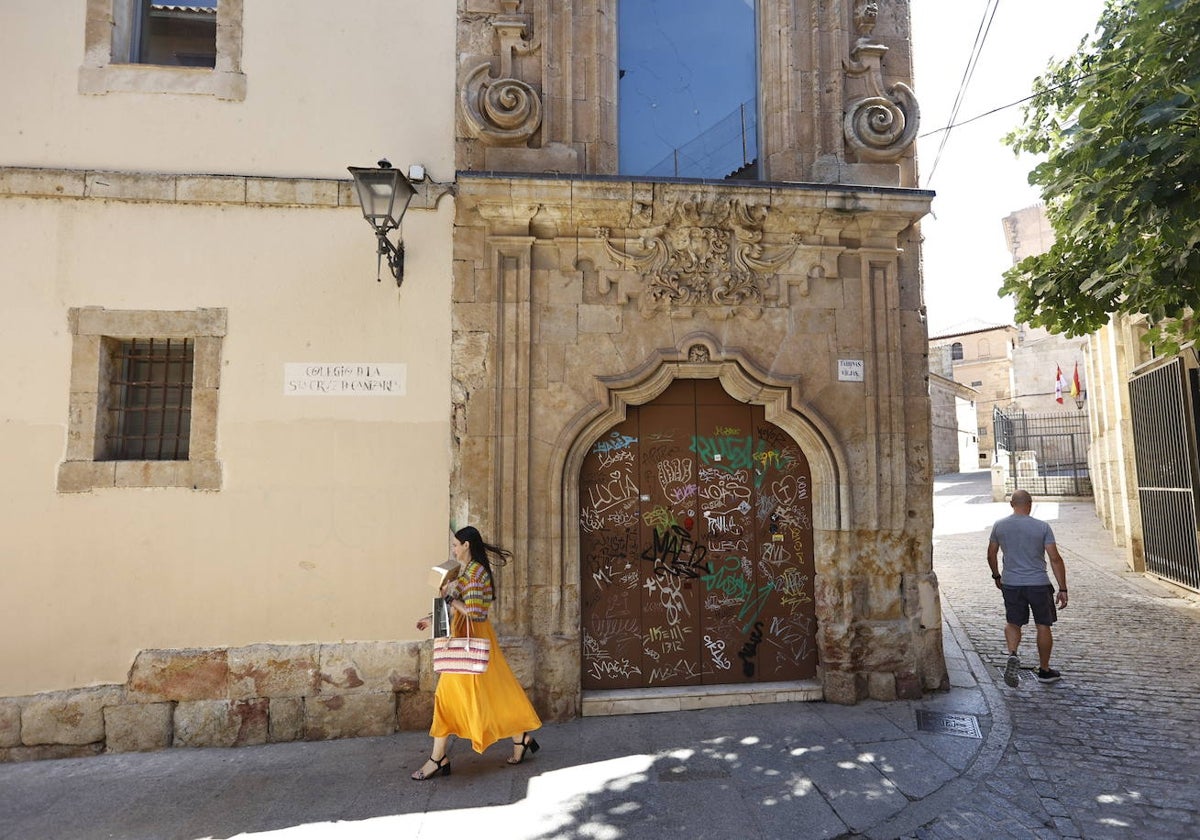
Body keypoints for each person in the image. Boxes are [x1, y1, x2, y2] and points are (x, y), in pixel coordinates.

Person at [410, 526, 543, 780]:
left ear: (467, 545)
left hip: (472, 641)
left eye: (456, 544)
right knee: (492, 692)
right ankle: (521, 738)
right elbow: (455, 608)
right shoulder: (466, 571)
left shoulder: (476, 573)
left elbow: (476, 612)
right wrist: (432, 617)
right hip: (465, 638)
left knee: (449, 696)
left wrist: (449, 599)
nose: (453, 548)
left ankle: (438, 758)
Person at [987, 489, 1069, 686]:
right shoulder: (1042, 527)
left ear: (1011, 504)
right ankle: (1045, 669)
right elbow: (1055, 558)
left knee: (1013, 622)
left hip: (1011, 583)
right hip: (1038, 583)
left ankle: (1013, 653)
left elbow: (991, 554)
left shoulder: (1000, 526)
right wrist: (1063, 588)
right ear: (1030, 504)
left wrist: (997, 575)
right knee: (1043, 625)